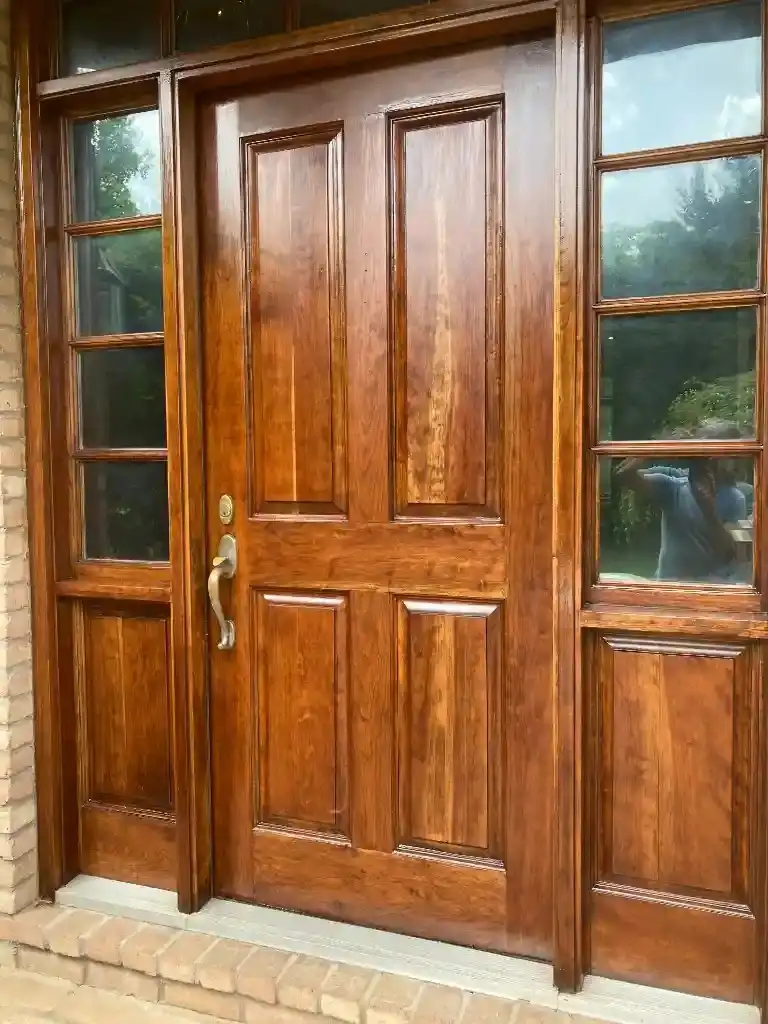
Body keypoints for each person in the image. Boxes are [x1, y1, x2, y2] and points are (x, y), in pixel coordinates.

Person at [615, 420, 748, 582]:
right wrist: (658, 447)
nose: (709, 459)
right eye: (703, 452)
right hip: (669, 584)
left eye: (719, 453)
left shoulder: (734, 498)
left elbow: (730, 554)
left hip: (709, 586)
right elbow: (625, 475)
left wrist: (709, 511)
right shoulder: (674, 483)